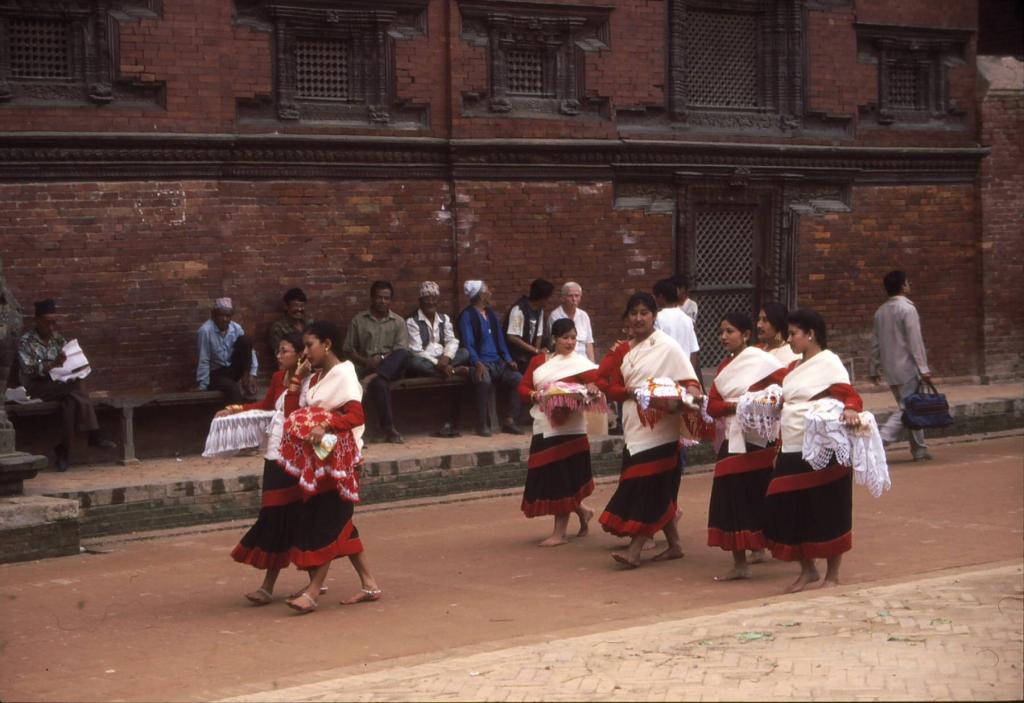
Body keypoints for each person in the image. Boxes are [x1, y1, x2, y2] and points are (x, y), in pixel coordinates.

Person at [596, 292, 704, 569]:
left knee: (646, 486)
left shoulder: (667, 346)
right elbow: (610, 387)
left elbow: (690, 381)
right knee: (656, 488)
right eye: (634, 313)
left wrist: (689, 399)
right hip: (634, 423)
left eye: (644, 312)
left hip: (662, 426)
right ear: (627, 318)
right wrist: (631, 391)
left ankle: (635, 550)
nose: (639, 318)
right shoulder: (624, 350)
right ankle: (675, 545)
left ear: (654, 316)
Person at [282, 321, 382, 613]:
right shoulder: (315, 378)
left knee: (330, 521)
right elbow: (292, 415)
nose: (305, 352)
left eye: (309, 345)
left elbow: (356, 416)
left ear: (326, 344)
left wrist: (326, 424)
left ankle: (313, 592)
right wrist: (297, 377)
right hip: (319, 459)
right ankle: (370, 583)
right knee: (338, 520)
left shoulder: (344, 373)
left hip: (342, 460)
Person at [764, 309, 863, 593]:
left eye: (794, 333)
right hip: (792, 444)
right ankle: (807, 569)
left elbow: (849, 394)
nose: (790, 339)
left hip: (823, 446)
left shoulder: (829, 363)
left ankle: (833, 575)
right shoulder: (793, 368)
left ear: (811, 334)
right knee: (789, 506)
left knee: (829, 507)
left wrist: (852, 410)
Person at [228, 332, 320, 605]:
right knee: (278, 515)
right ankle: (312, 581)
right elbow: (267, 406)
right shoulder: (279, 378)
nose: (279, 356)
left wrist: (297, 379)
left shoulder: (310, 383)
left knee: (282, 516)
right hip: (274, 452)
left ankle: (274, 586)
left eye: (284, 351)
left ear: (299, 354)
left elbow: (295, 416)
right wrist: (235, 409)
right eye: (278, 352)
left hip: (295, 457)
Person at [704, 313, 788, 581]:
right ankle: (740, 563)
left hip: (759, 441)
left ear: (746, 335)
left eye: (730, 331)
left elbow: (785, 389)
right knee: (730, 497)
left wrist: (760, 404)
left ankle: (766, 546)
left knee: (759, 495)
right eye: (722, 332)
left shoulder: (764, 362)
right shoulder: (724, 368)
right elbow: (713, 405)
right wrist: (738, 406)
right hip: (733, 438)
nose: (724, 337)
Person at [517, 318, 599, 546]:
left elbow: (599, 384)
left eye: (574, 337)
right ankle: (583, 512)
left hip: (571, 429)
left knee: (564, 479)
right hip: (544, 425)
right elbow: (523, 388)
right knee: (550, 477)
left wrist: (592, 388)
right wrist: (535, 395)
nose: (570, 342)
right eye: (565, 337)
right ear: (554, 339)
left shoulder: (580, 363)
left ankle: (559, 533)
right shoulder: (538, 362)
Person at [18, 299, 115, 471]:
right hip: (37, 388)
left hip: (60, 386)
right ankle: (93, 432)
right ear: (37, 320)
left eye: (55, 322)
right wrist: (52, 365)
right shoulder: (26, 341)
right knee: (75, 388)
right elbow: (29, 369)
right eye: (48, 323)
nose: (52, 327)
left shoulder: (58, 339)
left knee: (70, 402)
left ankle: (64, 450)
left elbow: (67, 363)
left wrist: (73, 366)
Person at [869, 271, 933, 461]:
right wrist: (924, 368)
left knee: (912, 407)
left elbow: (875, 343)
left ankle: (919, 449)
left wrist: (873, 368)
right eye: (907, 282)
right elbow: (915, 341)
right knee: (908, 409)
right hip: (907, 368)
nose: (909, 284)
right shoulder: (907, 309)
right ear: (903, 286)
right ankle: (878, 442)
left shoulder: (881, 312)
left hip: (891, 369)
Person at [342, 281, 412, 444]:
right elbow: (348, 349)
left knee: (403, 353)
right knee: (380, 384)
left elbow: (400, 350)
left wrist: (381, 359)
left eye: (386, 298)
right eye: (379, 298)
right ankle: (388, 428)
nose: (382, 301)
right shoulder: (359, 320)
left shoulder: (398, 321)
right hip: (367, 367)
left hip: (392, 367)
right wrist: (366, 361)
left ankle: (372, 377)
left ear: (391, 300)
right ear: (372, 299)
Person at [457, 280, 524, 437]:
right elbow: (468, 344)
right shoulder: (467, 316)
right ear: (480, 295)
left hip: (497, 363)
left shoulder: (491, 314)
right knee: (484, 381)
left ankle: (510, 420)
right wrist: (477, 362)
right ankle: (481, 423)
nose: (490, 293)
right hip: (480, 363)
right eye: (487, 290)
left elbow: (500, 340)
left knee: (519, 379)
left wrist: (508, 359)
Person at [405, 280, 472, 437]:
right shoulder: (412, 321)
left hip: (444, 360)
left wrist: (447, 358)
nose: (431, 301)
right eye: (427, 298)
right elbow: (416, 350)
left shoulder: (445, 318)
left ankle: (450, 369)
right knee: (413, 362)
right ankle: (453, 371)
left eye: (434, 298)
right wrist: (438, 364)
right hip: (426, 361)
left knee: (464, 352)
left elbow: (452, 340)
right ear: (420, 301)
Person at [196, 297, 258, 404]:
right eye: (221, 315)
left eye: (228, 316)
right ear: (214, 315)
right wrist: (203, 386)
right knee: (233, 389)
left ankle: (246, 379)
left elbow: (249, 351)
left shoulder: (235, 328)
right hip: (216, 374)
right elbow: (203, 359)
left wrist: (252, 375)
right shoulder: (205, 331)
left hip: (231, 369)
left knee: (245, 340)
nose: (225, 319)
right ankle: (238, 416)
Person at [505, 278, 554, 373]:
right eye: (548, 298)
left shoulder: (540, 310)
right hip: (517, 356)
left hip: (529, 355)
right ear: (542, 297)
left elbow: (539, 335)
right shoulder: (519, 309)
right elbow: (512, 337)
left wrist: (538, 353)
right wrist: (535, 350)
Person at [652, 279, 700, 375]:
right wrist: (691, 375)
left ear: (660, 297)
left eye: (655, 297)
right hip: (685, 373)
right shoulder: (687, 319)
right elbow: (693, 350)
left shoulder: (657, 318)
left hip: (665, 374)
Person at [546, 282, 595, 361]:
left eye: (577, 296)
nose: (574, 299)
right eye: (570, 296)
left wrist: (592, 364)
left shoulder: (584, 315)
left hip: (584, 361)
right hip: (564, 361)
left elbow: (589, 343)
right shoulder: (555, 316)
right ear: (563, 297)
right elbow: (554, 344)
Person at [268, 288, 311, 356]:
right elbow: (280, 354)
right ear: (286, 306)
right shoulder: (278, 328)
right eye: (295, 306)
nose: (299, 309)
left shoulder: (309, 324)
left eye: (302, 306)